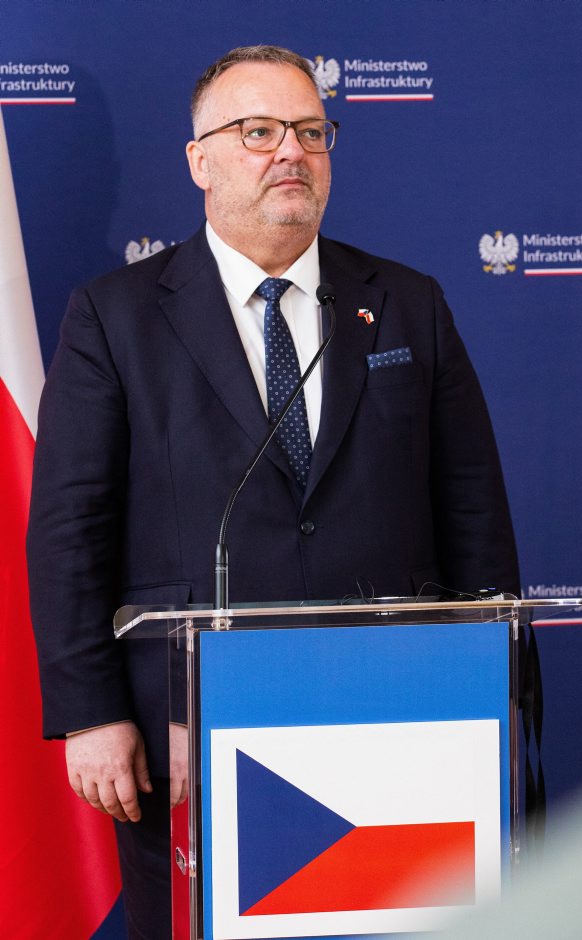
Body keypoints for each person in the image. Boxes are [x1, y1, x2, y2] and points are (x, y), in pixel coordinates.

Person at [27, 45, 519, 939]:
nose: (291, 151)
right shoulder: (115, 315)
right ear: (200, 161)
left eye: (310, 131)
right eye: (258, 131)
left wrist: (505, 688)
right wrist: (91, 713)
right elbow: (70, 527)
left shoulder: (405, 303)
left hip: (399, 721)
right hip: (189, 736)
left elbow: (473, 510)